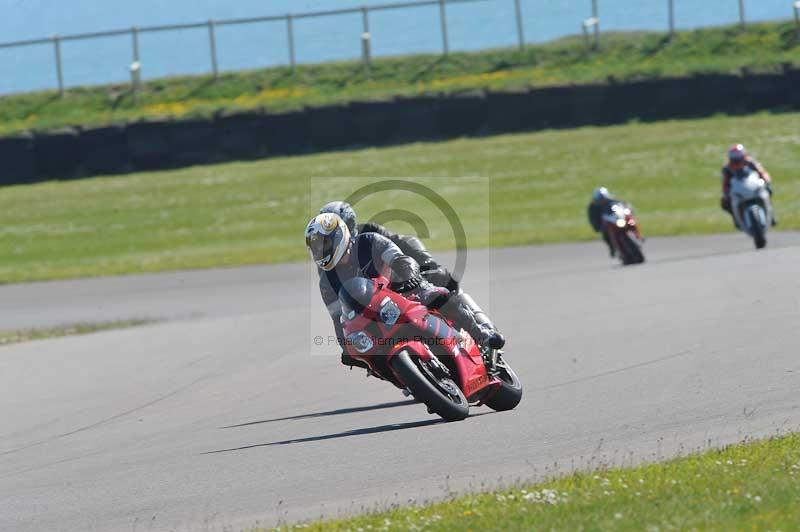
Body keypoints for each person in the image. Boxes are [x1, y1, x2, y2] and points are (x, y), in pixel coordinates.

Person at [305, 212, 504, 370]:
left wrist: (412, 279)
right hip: (375, 314)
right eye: (315, 247)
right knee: (365, 352)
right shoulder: (326, 281)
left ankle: (481, 334)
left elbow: (401, 260)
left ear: (339, 235)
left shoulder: (369, 240)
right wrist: (345, 346)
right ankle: (406, 375)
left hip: (405, 289)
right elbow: (338, 318)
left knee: (437, 296)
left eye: (324, 245)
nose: (320, 251)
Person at [720, 144, 775, 227]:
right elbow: (725, 183)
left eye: (738, 157)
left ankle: (771, 215)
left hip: (752, 186)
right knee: (725, 203)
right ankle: (736, 217)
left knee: (768, 191)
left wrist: (766, 181)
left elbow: (761, 172)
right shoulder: (727, 168)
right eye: (735, 158)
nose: (737, 161)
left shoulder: (750, 162)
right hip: (737, 190)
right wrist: (726, 194)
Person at [587, 187, 623, 257]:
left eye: (603, 198)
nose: (602, 201)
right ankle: (612, 247)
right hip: (606, 223)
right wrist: (597, 227)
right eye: (600, 199)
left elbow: (623, 207)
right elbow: (593, 219)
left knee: (631, 222)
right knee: (605, 234)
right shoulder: (593, 207)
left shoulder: (613, 201)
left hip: (617, 219)